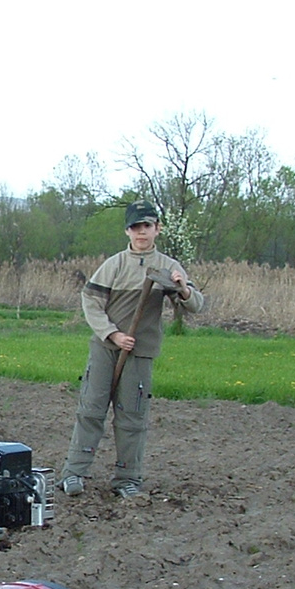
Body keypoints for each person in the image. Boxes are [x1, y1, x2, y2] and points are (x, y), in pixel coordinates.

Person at [59, 199, 205, 499]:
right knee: (91, 410)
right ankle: (74, 473)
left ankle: (127, 478)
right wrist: (113, 334)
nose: (142, 232)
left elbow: (195, 305)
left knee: (132, 417)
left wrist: (183, 289)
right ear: (127, 231)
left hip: (140, 352)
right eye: (136, 227)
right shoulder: (114, 265)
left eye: (147, 226)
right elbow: (92, 303)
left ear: (157, 229)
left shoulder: (169, 267)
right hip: (106, 348)